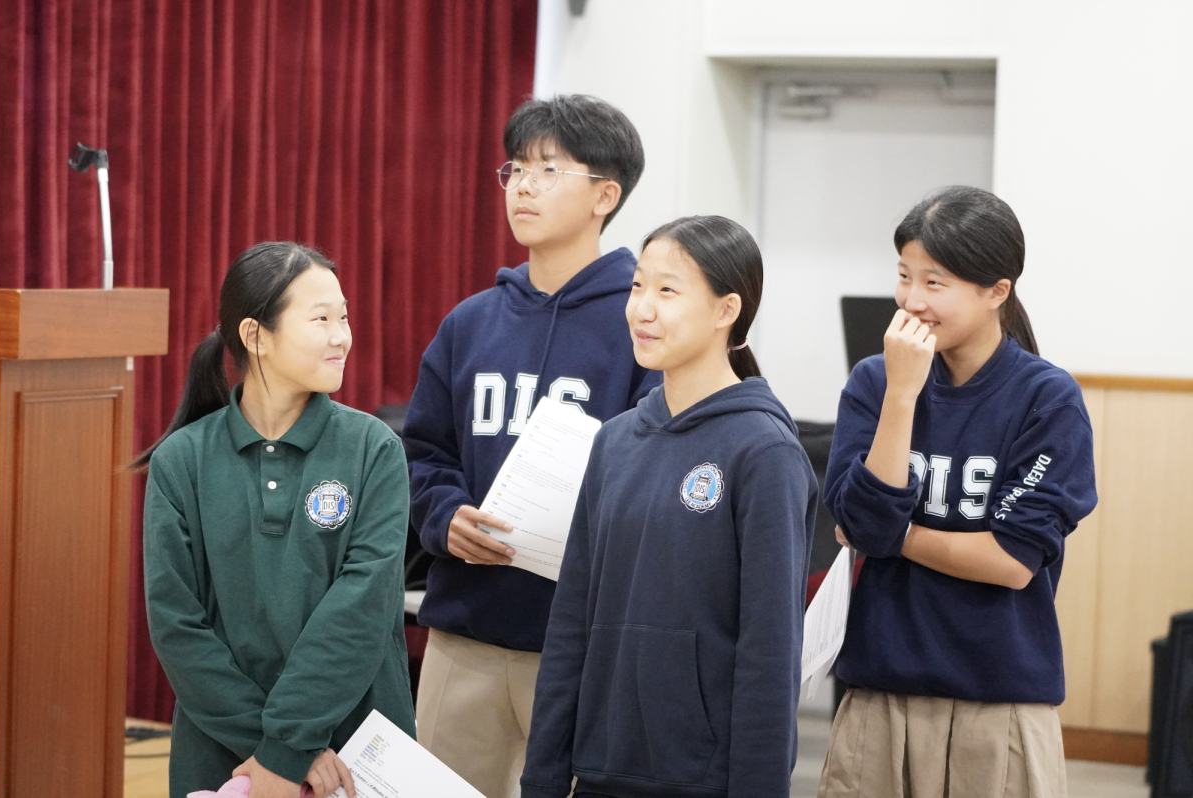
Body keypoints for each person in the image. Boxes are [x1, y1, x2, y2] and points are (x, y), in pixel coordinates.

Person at [401, 94, 657, 798]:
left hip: (581, 642)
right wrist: (444, 515)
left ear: (606, 195)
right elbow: (424, 452)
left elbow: (656, 471)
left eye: (548, 170)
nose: (522, 186)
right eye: (514, 169)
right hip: (464, 636)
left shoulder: (643, 324)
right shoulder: (470, 322)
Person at [520, 215, 817, 798]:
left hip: (702, 778)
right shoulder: (615, 440)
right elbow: (571, 626)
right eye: (637, 287)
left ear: (726, 310)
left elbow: (770, 655)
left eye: (667, 290)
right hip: (600, 769)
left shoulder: (764, 452)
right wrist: (544, 778)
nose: (642, 309)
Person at [819, 186, 1098, 797]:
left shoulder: (1047, 399)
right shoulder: (876, 381)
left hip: (997, 702)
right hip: (879, 693)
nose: (911, 301)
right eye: (904, 276)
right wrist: (901, 395)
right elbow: (860, 527)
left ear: (997, 291)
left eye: (935, 283)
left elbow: (1010, 561)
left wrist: (896, 533)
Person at [139, 242, 415, 798]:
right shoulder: (182, 460)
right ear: (255, 335)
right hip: (225, 753)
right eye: (322, 319)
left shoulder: (374, 449)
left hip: (355, 749)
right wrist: (270, 753)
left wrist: (286, 748)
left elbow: (359, 613)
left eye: (344, 317)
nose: (343, 336)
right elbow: (177, 624)